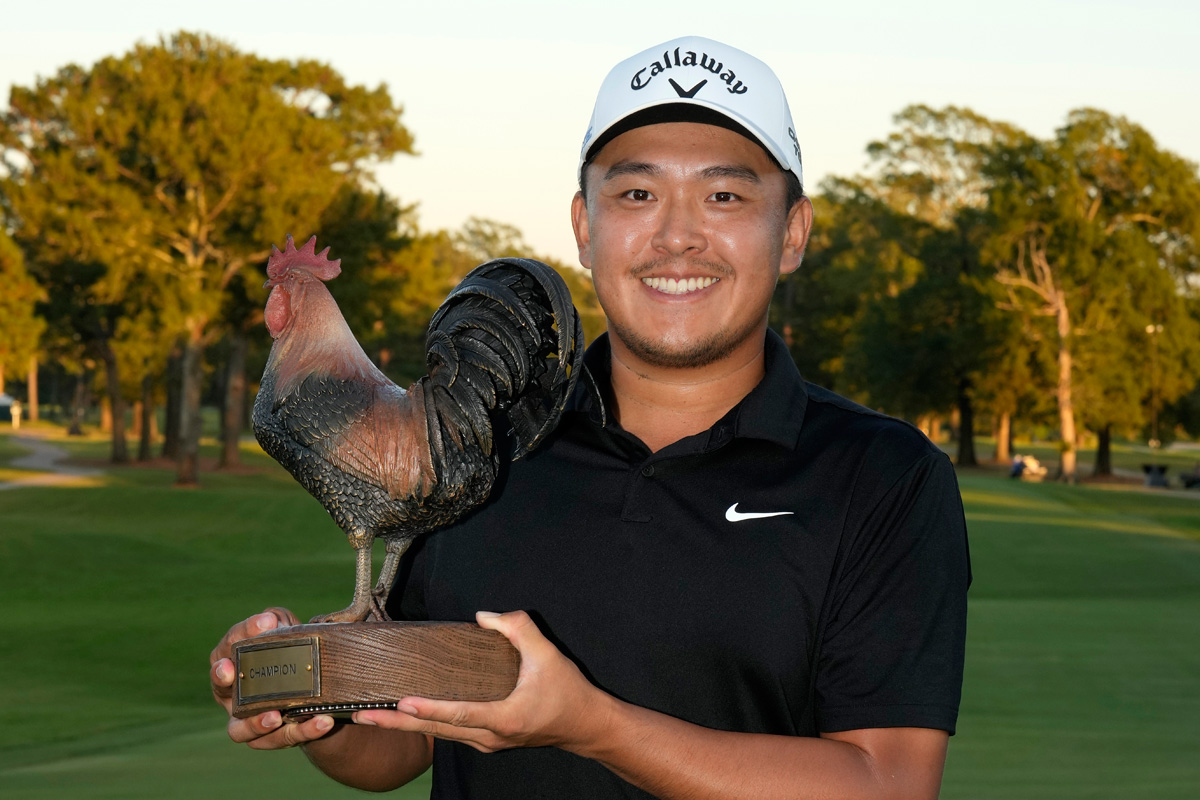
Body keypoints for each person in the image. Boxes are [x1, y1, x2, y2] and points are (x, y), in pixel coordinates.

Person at [211, 35, 970, 799]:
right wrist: (314, 707)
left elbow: (889, 783)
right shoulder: (488, 445)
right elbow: (404, 746)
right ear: (583, 225)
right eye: (637, 194)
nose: (678, 234)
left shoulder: (884, 476)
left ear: (794, 233)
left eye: (725, 196)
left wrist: (591, 724)